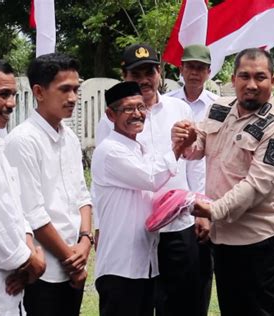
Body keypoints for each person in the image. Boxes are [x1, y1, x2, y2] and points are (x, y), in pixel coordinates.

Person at [173, 48, 274, 316]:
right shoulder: (219, 108)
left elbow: (256, 185)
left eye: (260, 77)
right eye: (244, 76)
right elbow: (199, 147)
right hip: (225, 242)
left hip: (263, 243)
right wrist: (185, 139)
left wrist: (212, 210)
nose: (252, 85)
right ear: (233, 79)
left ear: (272, 81)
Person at [92, 81, 193, 315]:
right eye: (128, 109)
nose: (137, 114)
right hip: (121, 267)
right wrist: (177, 148)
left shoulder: (139, 150)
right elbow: (151, 177)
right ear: (110, 115)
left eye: (141, 108)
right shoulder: (110, 151)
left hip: (145, 263)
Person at [120, 43, 207, 316]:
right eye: (136, 74)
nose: (144, 80)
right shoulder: (114, 118)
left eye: (149, 72)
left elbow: (195, 163)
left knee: (182, 301)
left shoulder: (179, 108)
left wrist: (201, 211)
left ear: (160, 72)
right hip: (138, 226)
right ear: (124, 76)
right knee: (141, 299)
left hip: (180, 223)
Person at [4, 53, 93, 316]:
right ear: (39, 92)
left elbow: (82, 196)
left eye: (76, 89)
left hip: (74, 258)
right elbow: (33, 213)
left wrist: (85, 240)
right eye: (64, 89)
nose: (73, 97)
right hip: (43, 269)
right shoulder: (23, 141)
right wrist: (72, 260)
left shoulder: (70, 138)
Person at [0, 55, 46, 315]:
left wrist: (28, 253)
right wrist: (31, 262)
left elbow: (16, 211)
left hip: (7, 295)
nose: (11, 104)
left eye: (14, 95)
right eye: (2, 94)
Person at [165, 44, 218, 316]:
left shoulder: (220, 108)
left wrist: (205, 208)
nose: (194, 73)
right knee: (169, 285)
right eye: (190, 67)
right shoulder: (166, 105)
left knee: (200, 278)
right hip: (172, 208)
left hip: (207, 205)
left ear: (208, 72)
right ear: (181, 69)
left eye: (200, 68)